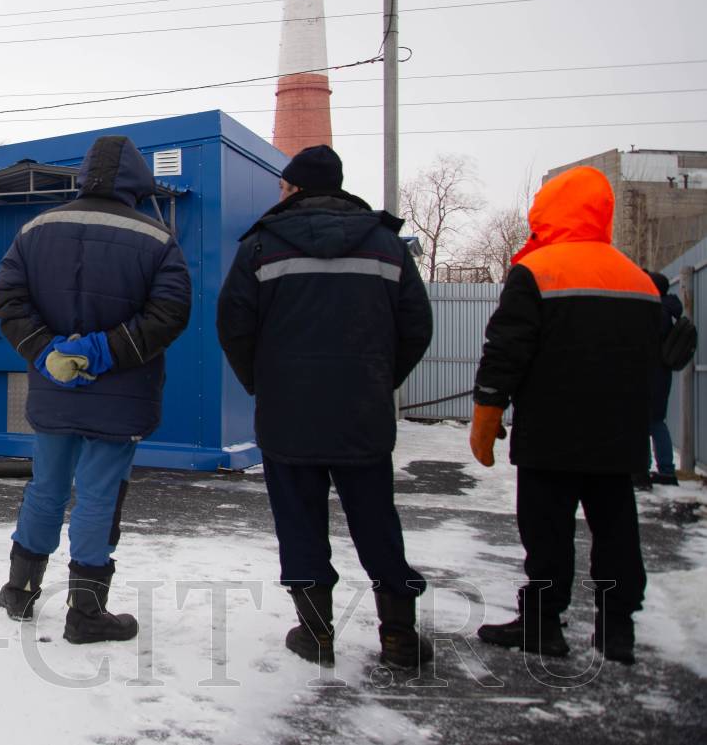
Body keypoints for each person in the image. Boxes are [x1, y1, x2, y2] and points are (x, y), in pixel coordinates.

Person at [216, 144, 434, 669]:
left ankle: (315, 634)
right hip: (363, 411)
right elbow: (417, 328)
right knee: (377, 520)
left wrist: (262, 384)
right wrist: (378, 380)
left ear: (292, 188)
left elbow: (233, 326)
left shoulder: (261, 247)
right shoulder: (386, 244)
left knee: (299, 521)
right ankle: (399, 636)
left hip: (288, 413)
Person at [0, 135, 191, 644]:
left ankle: (19, 591)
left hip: (53, 387)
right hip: (121, 394)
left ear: (84, 175)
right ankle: (85, 614)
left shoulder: (35, 229)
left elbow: (8, 298)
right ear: (138, 180)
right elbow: (170, 313)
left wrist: (48, 351)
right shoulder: (158, 238)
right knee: (99, 496)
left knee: (46, 488)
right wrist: (102, 352)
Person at [470, 166, 658, 665]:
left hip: (550, 436)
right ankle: (617, 629)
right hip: (617, 439)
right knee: (617, 530)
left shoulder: (537, 271)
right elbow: (653, 361)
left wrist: (488, 410)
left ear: (549, 209)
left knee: (547, 531)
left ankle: (544, 624)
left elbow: (507, 349)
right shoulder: (638, 279)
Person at [644, 270, 683, 487]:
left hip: (652, 373)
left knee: (651, 421)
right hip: (660, 374)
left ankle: (659, 470)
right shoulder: (669, 307)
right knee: (656, 421)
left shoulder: (658, 310)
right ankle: (662, 469)